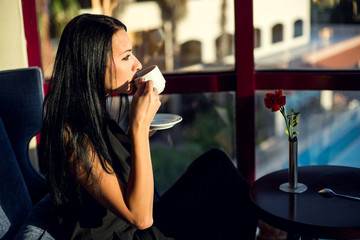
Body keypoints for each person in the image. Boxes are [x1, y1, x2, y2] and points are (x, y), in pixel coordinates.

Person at [39, 13, 258, 240]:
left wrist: (139, 130)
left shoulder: (91, 111)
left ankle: (262, 226)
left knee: (216, 165)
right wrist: (139, 129)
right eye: (125, 58)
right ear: (92, 65)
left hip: (137, 228)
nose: (138, 64)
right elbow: (141, 217)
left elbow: (110, 169)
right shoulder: (70, 133)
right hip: (129, 234)